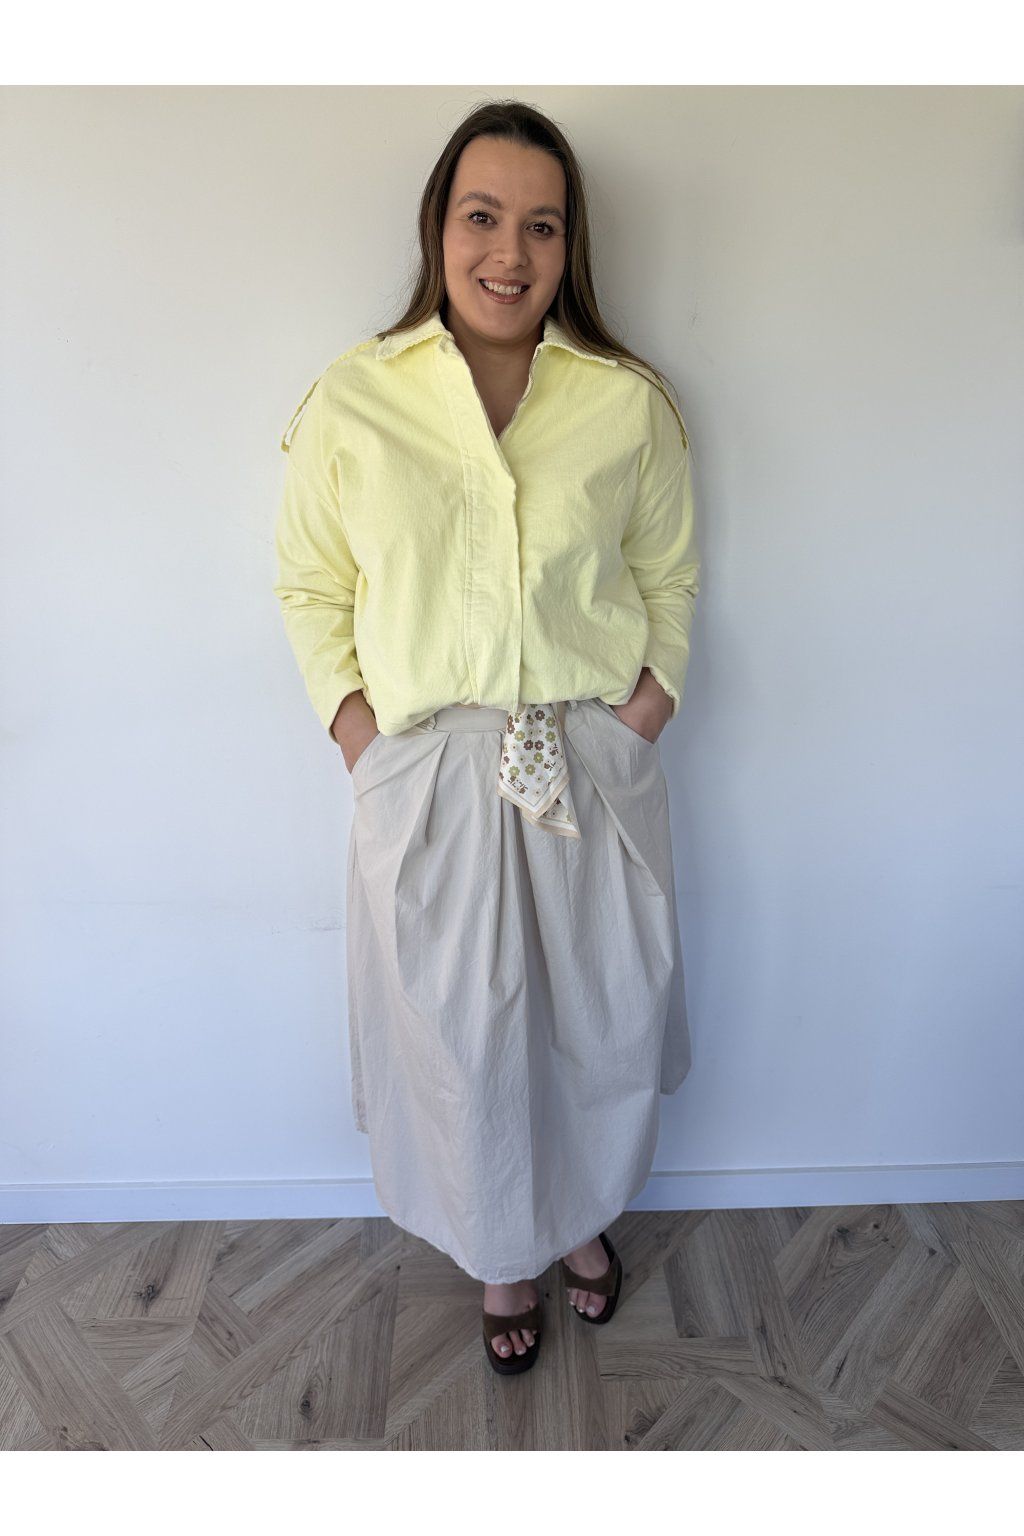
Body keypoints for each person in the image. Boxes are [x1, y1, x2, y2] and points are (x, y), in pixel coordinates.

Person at [273, 100, 700, 1376]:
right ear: (438, 227)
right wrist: (364, 741)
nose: (508, 252)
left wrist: (642, 716)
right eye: (482, 216)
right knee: (464, 1039)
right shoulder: (355, 399)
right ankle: (503, 1249)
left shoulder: (625, 404)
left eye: (541, 225)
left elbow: (669, 576)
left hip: (587, 758)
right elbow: (311, 586)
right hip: (432, 771)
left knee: (593, 1020)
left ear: (570, 246)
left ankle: (577, 1218)